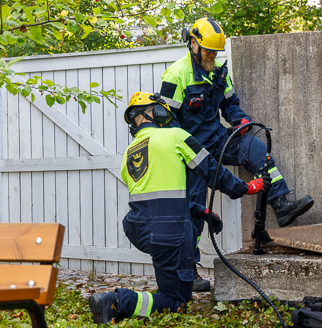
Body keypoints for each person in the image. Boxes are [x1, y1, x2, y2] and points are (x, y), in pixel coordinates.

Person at [88, 92, 271, 324]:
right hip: (171, 233)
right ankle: (115, 301)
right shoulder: (175, 136)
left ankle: (135, 298)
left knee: (169, 282)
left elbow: (157, 197)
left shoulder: (129, 153)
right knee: (177, 304)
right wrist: (244, 188)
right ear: (154, 112)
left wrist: (198, 210)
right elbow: (211, 170)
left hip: (141, 229)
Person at [159, 17, 314, 291]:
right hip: (191, 151)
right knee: (194, 211)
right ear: (193, 44)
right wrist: (182, 152)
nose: (212, 56)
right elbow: (165, 121)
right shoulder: (175, 75)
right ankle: (188, 272)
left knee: (256, 148)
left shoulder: (218, 71)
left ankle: (281, 205)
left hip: (219, 139)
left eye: (215, 52)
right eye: (208, 51)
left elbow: (231, 105)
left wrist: (240, 120)